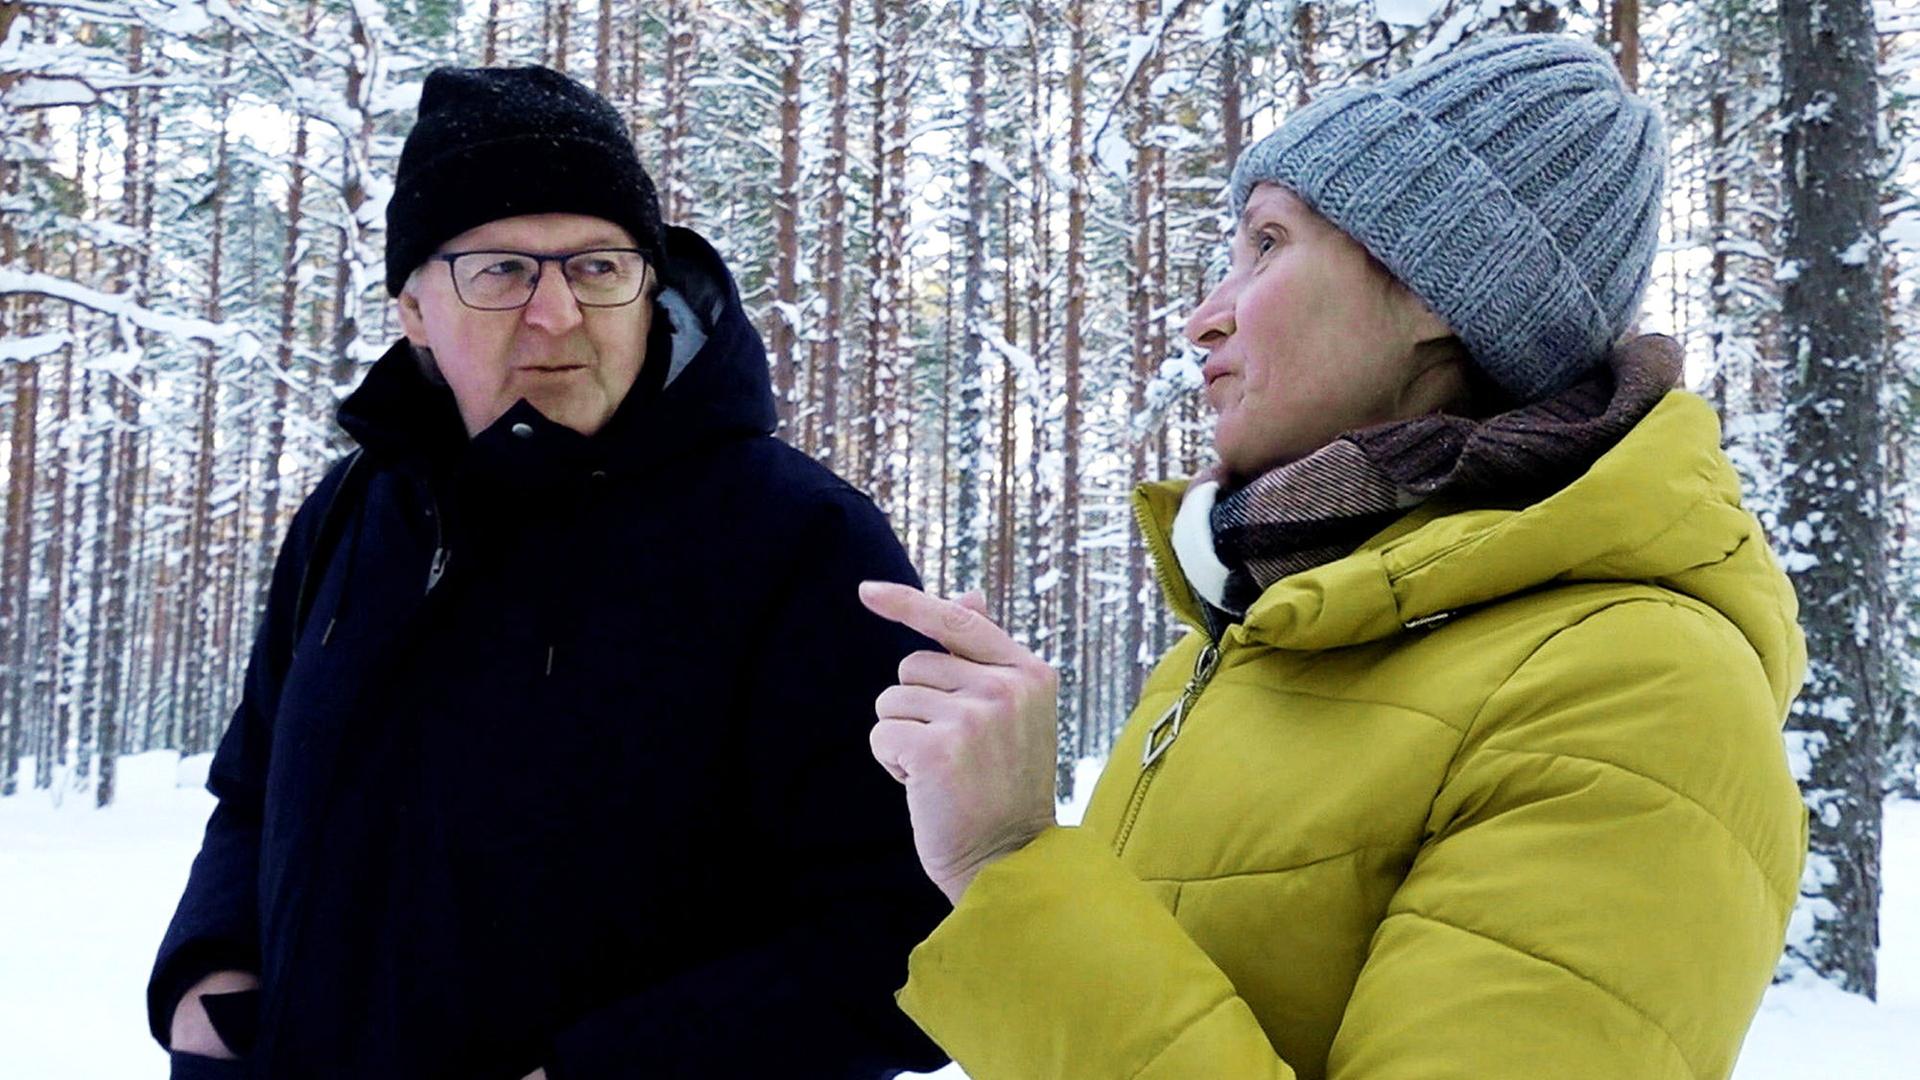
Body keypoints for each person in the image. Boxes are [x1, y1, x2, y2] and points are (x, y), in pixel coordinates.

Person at [859, 34, 1808, 1080]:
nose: (1202, 317)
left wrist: (1014, 867)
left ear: (1443, 291)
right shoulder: (1255, 638)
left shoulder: (1635, 692)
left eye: (1267, 244)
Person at [149, 65, 948, 1080]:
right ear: (414, 306)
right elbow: (255, 794)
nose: (558, 313)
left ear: (648, 284)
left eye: (600, 267)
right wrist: (207, 986)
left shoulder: (800, 544)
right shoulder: (350, 519)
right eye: (501, 271)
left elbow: (903, 942)